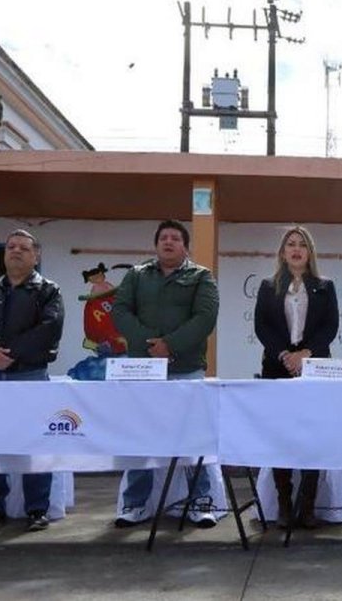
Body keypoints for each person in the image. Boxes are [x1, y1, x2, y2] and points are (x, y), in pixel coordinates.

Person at [111, 220, 220, 528]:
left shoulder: (201, 277)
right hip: (143, 370)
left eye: (175, 238)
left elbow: (205, 318)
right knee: (140, 436)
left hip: (185, 369)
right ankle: (135, 504)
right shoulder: (136, 275)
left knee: (193, 436)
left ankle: (200, 502)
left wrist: (169, 345)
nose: (168, 242)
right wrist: (150, 345)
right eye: (163, 238)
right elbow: (120, 312)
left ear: (185, 246)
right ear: (156, 245)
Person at [0, 230, 64, 532]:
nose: (16, 251)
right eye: (11, 247)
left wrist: (10, 355)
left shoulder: (48, 291)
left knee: (35, 441)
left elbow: (49, 328)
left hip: (29, 375)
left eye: (24, 248)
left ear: (36, 256)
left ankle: (37, 508)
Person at [253, 226, 339, 529]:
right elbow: (262, 327)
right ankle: (285, 505)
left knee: (312, 436)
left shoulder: (325, 286)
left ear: (310, 252)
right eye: (290, 244)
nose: (296, 249)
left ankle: (308, 507)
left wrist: (306, 353)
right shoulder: (268, 286)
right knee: (281, 438)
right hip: (277, 367)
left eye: (302, 244)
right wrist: (285, 355)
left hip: (315, 368)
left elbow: (330, 327)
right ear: (282, 252)